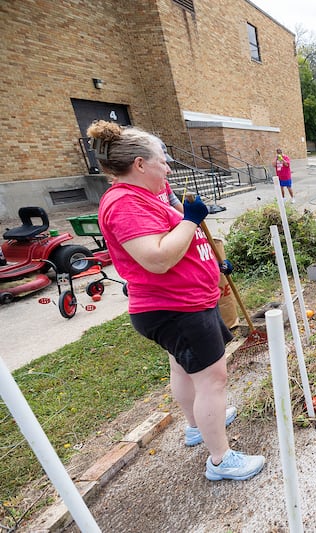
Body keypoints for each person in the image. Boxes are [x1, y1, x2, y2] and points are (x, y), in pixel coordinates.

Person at [89, 120, 265, 482]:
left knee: (184, 368)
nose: (168, 167)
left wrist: (213, 261)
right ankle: (221, 460)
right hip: (175, 307)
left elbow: (177, 234)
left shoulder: (145, 196)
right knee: (213, 379)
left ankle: (196, 427)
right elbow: (157, 258)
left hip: (182, 303)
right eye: (161, 160)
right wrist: (190, 221)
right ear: (139, 164)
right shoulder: (124, 203)